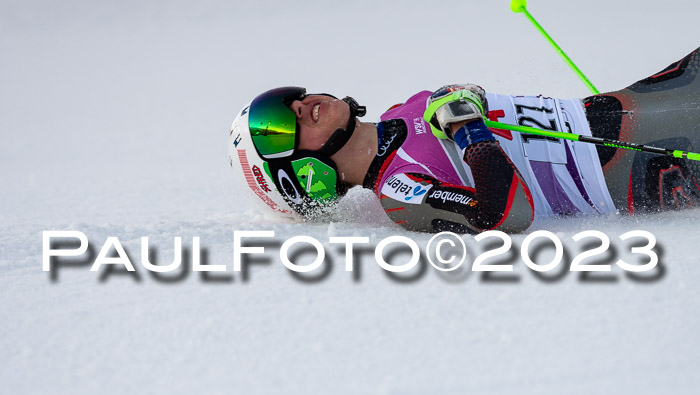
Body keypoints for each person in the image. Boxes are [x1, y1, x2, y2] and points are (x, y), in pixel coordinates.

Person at [228, 47, 700, 234]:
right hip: (635, 168)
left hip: (619, 107)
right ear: (300, 175)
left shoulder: (400, 111)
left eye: (284, 102)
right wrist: (466, 127)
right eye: (278, 129)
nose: (296, 107)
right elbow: (504, 214)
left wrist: (461, 99)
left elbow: (467, 95)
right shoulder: (399, 191)